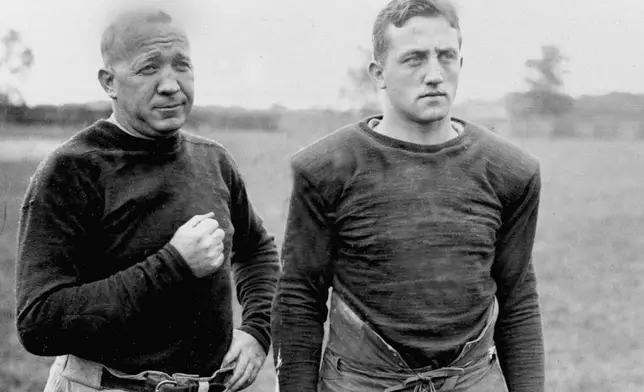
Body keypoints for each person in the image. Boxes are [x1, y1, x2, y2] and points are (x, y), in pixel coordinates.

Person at [271, 0, 545, 391]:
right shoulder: (324, 169)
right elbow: (299, 298)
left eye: (446, 56)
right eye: (414, 59)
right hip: (362, 382)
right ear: (379, 74)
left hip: (470, 380)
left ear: (460, 65)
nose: (434, 74)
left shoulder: (511, 171)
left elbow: (518, 298)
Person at [15, 9, 279, 392]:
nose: (171, 84)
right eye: (148, 68)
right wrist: (173, 265)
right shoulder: (70, 170)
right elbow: (38, 323)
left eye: (182, 65)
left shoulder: (214, 160)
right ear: (109, 82)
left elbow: (257, 249)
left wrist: (257, 330)